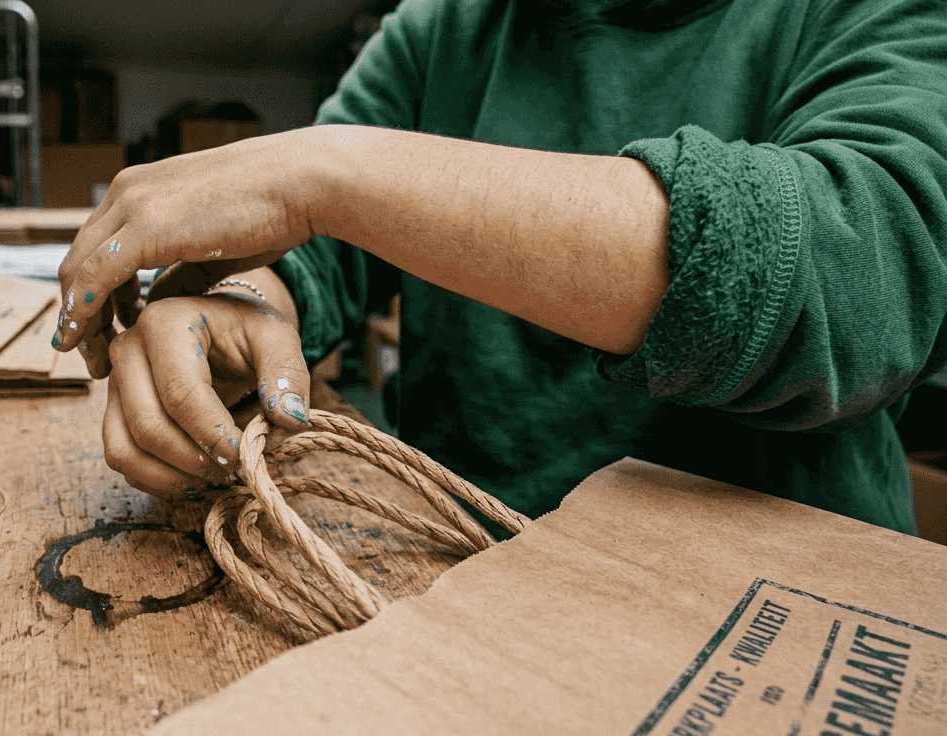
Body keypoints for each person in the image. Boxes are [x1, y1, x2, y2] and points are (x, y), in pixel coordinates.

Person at [51, 0, 947, 536]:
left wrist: (326, 169)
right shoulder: (443, 24)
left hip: (772, 626)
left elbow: (866, 267)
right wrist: (238, 299)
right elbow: (316, 250)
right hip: (459, 561)